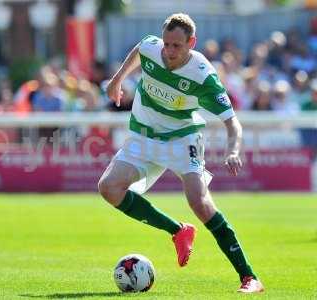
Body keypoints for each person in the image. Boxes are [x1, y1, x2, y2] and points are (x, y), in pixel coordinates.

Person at [98, 13, 264, 293]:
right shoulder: (152, 47)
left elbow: (232, 123)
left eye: (177, 46)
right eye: (167, 44)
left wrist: (233, 151)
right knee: (109, 188)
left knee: (200, 202)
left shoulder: (202, 75)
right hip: (143, 136)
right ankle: (178, 231)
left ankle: (249, 278)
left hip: (181, 140)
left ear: (192, 43)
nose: (169, 51)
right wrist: (117, 81)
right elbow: (140, 50)